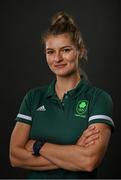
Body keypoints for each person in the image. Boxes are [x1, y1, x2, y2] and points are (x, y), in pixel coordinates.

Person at [9, 11, 114, 179]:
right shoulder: (33, 97)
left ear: (80, 51)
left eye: (65, 50)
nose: (57, 58)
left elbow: (88, 161)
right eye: (50, 52)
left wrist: (37, 146)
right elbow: (15, 157)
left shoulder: (99, 99)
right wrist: (74, 151)